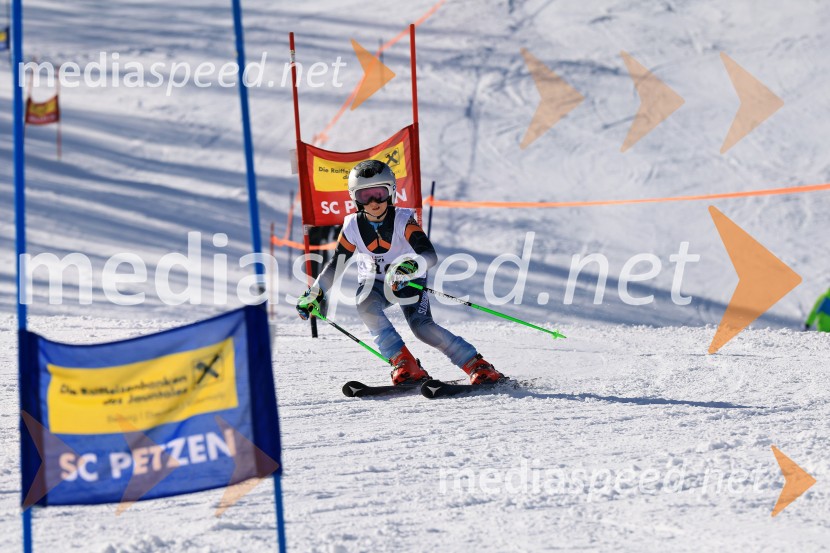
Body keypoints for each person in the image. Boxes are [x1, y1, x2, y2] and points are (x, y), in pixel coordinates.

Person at [295, 159, 503, 386]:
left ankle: (476, 365)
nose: (374, 202)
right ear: (355, 198)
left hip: (407, 280)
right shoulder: (352, 226)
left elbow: (429, 255)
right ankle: (404, 363)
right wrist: (315, 293)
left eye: (379, 194)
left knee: (422, 328)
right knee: (364, 303)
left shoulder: (403, 220)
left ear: (391, 192)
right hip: (374, 282)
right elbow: (337, 264)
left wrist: (410, 267)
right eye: (366, 196)